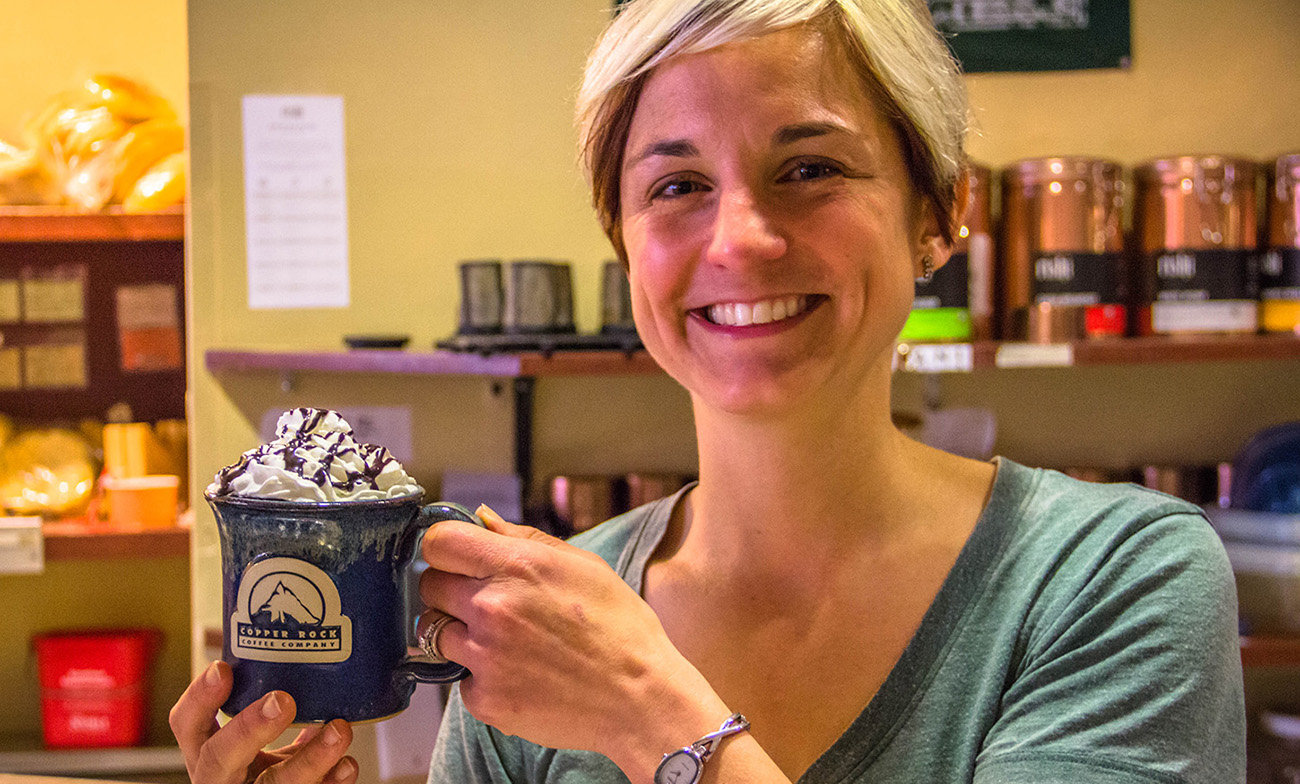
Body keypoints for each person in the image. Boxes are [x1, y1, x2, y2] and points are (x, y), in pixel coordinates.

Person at [170, 0, 1247, 782]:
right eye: (677, 186)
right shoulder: (543, 622)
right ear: (624, 245)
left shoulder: (1112, 579)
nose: (741, 238)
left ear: (936, 214)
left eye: (811, 168)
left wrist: (654, 719)